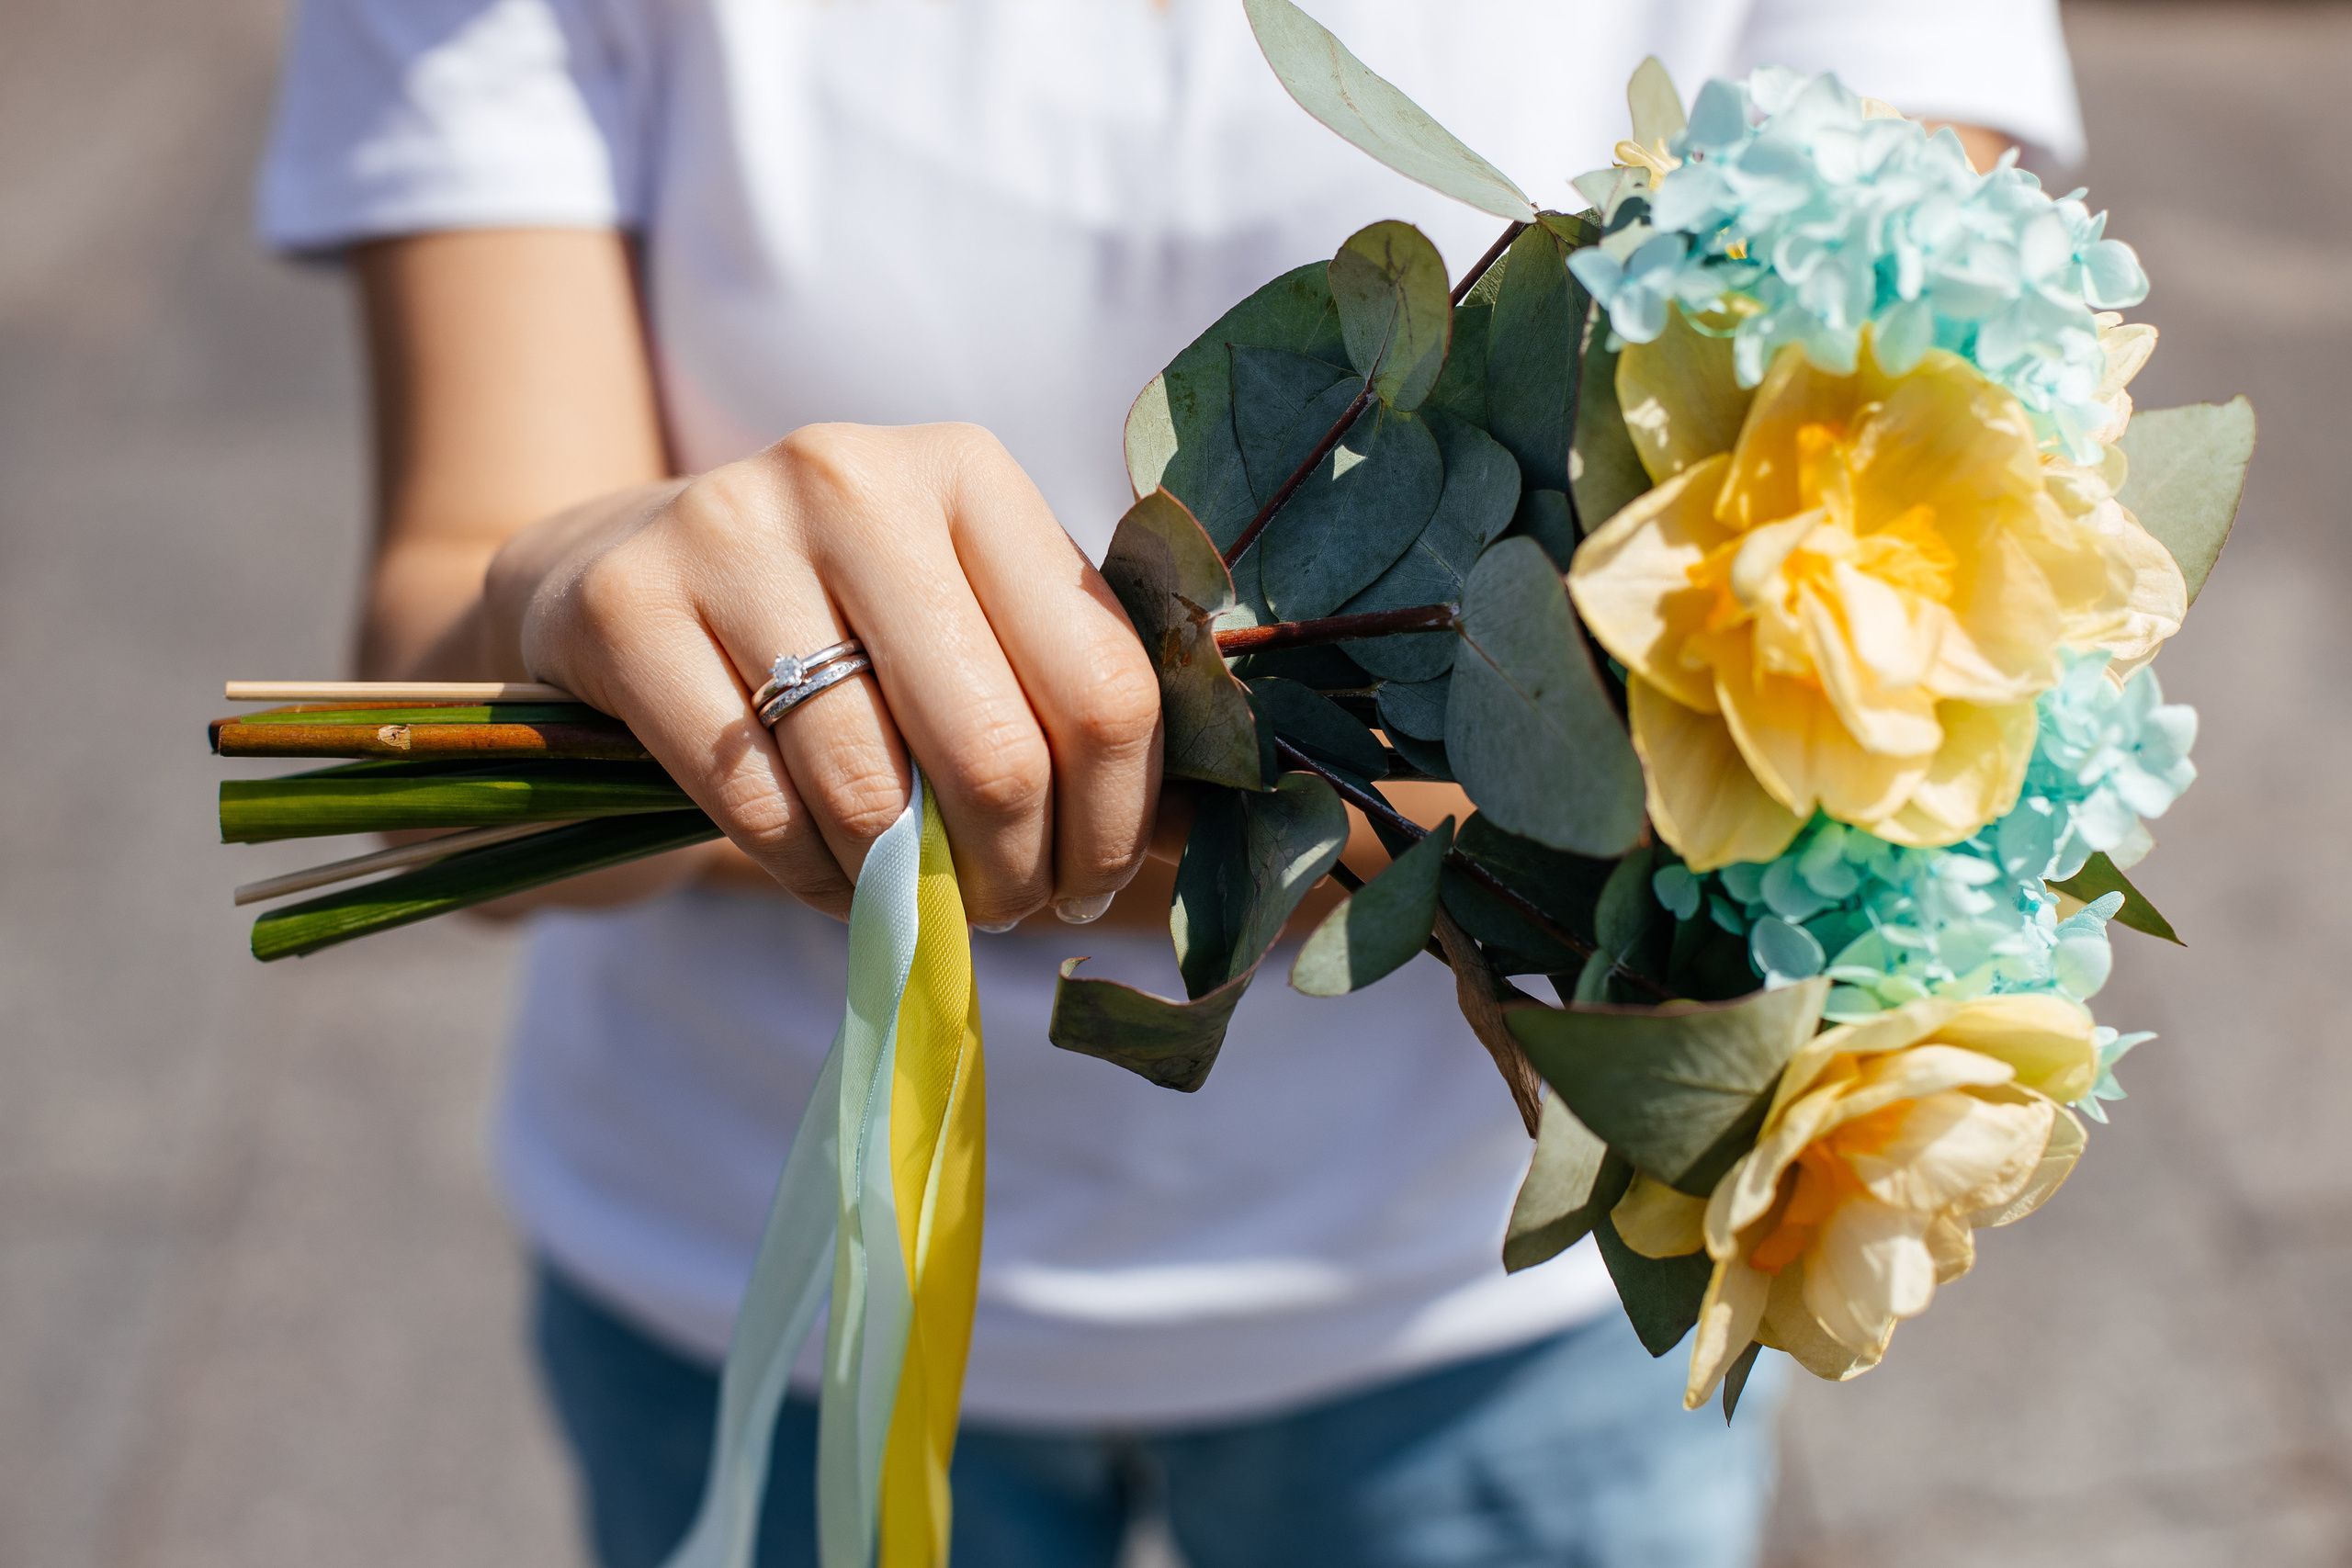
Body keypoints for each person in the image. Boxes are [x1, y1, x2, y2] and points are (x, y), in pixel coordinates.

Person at [256, 3, 2085, 1563]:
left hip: (1473, 1330)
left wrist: (838, 761)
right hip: (769, 1269)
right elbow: (441, 781)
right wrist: (573, 576)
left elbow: (1860, 697)